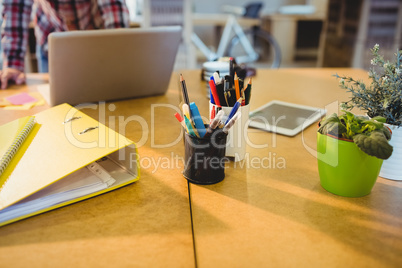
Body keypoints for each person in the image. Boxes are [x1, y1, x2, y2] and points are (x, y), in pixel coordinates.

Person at [0, 0, 130, 89]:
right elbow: (16, 6)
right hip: (51, 36)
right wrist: (13, 65)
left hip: (94, 37)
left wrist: (117, 52)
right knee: (52, 102)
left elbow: (113, 5)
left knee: (104, 90)